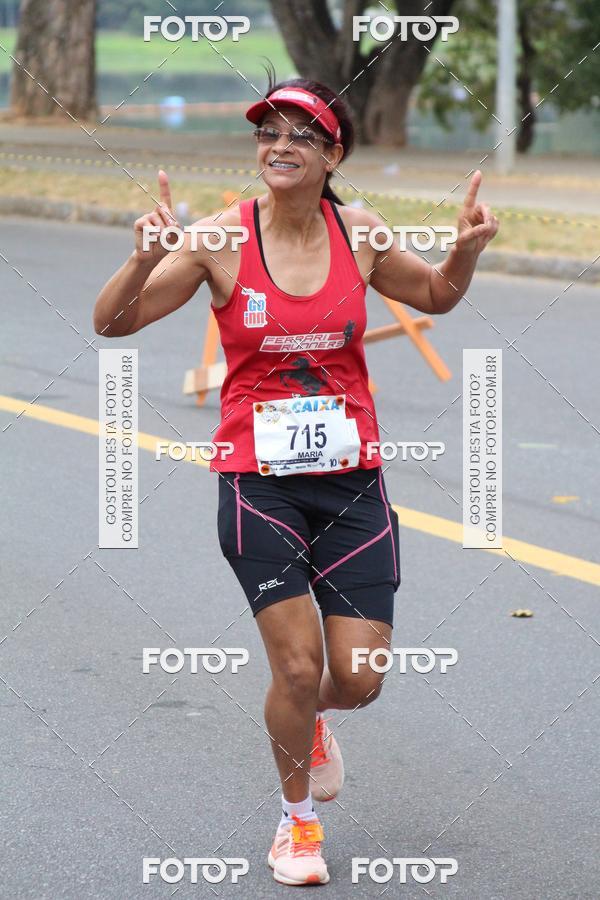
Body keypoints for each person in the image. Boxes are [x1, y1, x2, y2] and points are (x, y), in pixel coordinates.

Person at [93, 75, 498, 887]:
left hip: (352, 485)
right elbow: (112, 323)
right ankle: (297, 825)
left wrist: (465, 251)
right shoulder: (219, 241)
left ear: (332, 153)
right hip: (258, 484)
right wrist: (140, 261)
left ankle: (313, 725)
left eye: (300, 134)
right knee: (298, 669)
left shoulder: (364, 234)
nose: (279, 146)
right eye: (267, 133)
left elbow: (437, 298)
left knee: (358, 679)